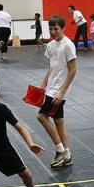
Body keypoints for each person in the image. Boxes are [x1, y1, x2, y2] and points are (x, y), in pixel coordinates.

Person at [36, 14, 77, 168]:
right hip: (50, 88)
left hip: (58, 92)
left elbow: (73, 70)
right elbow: (51, 69)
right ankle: (67, 154)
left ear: (63, 28)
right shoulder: (51, 46)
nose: (53, 31)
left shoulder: (68, 45)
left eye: (56, 29)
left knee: (41, 116)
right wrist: (42, 85)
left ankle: (60, 150)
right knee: (59, 122)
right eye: (51, 28)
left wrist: (61, 92)